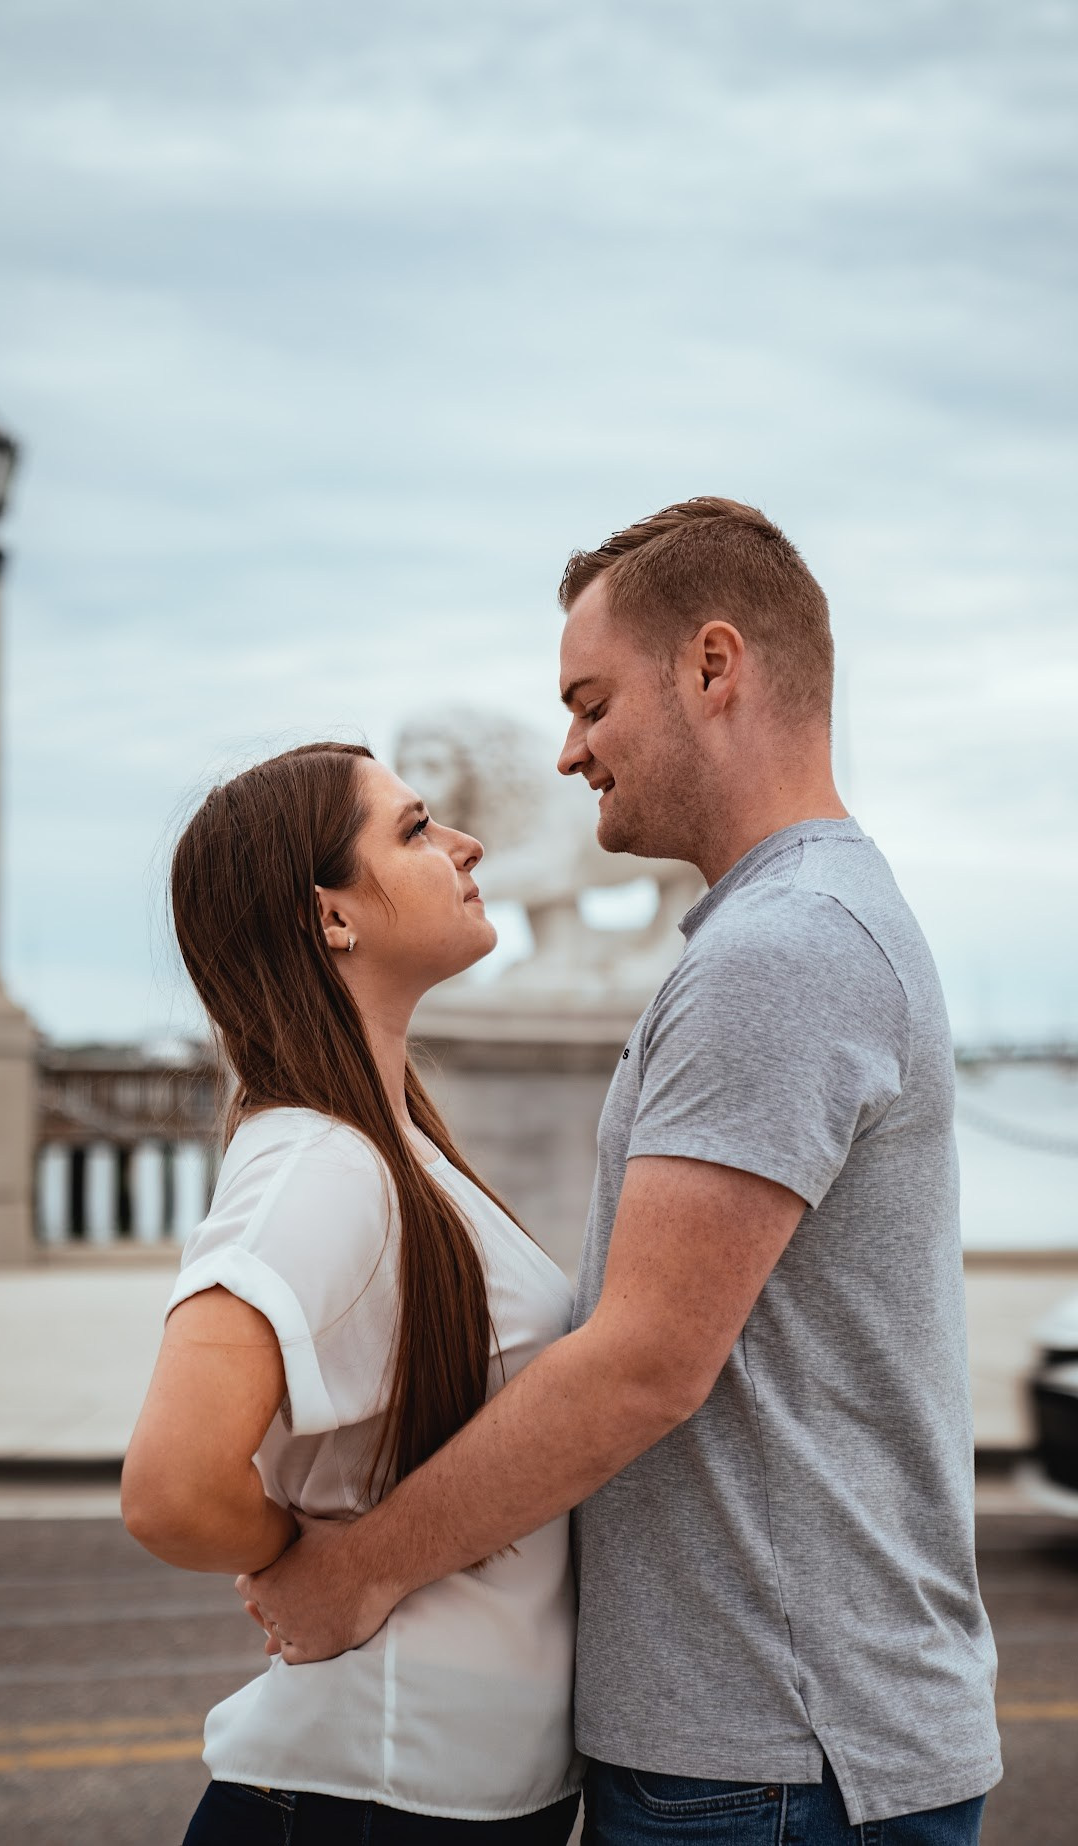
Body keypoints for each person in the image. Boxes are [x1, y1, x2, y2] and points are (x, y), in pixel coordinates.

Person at [240, 499, 1003, 1843]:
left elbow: (647, 1360)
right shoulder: (797, 927)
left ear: (716, 669)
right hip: (779, 1751)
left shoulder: (783, 951)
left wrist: (354, 1572)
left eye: (591, 703)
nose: (567, 750)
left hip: (773, 1760)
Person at [121, 743, 585, 1844]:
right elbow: (171, 1486)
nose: (468, 846)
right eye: (417, 830)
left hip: (425, 1791)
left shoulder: (387, 1150)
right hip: (364, 1796)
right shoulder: (315, 1165)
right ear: (332, 916)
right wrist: (308, 1565)